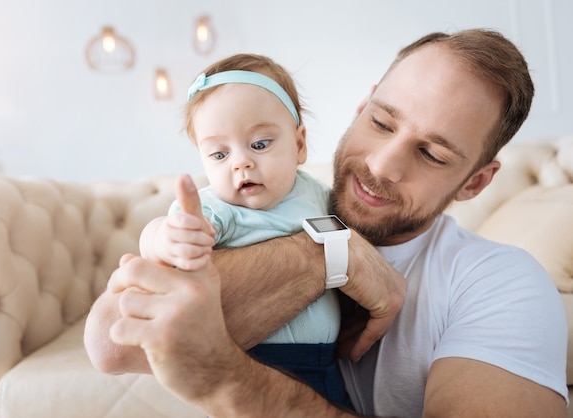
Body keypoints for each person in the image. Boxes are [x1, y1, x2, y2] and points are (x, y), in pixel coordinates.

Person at [84, 28, 568, 417]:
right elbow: (110, 344)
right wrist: (327, 255)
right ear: (360, 110)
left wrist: (228, 380)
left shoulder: (503, 286)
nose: (382, 165)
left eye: (431, 153)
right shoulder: (273, 206)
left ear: (476, 183)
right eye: (380, 123)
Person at [137, 53, 352, 408]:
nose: (241, 162)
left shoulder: (316, 194)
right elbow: (159, 235)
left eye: (259, 144)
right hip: (249, 366)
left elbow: (351, 239)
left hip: (327, 364)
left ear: (299, 145)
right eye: (219, 155)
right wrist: (165, 238)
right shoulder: (215, 209)